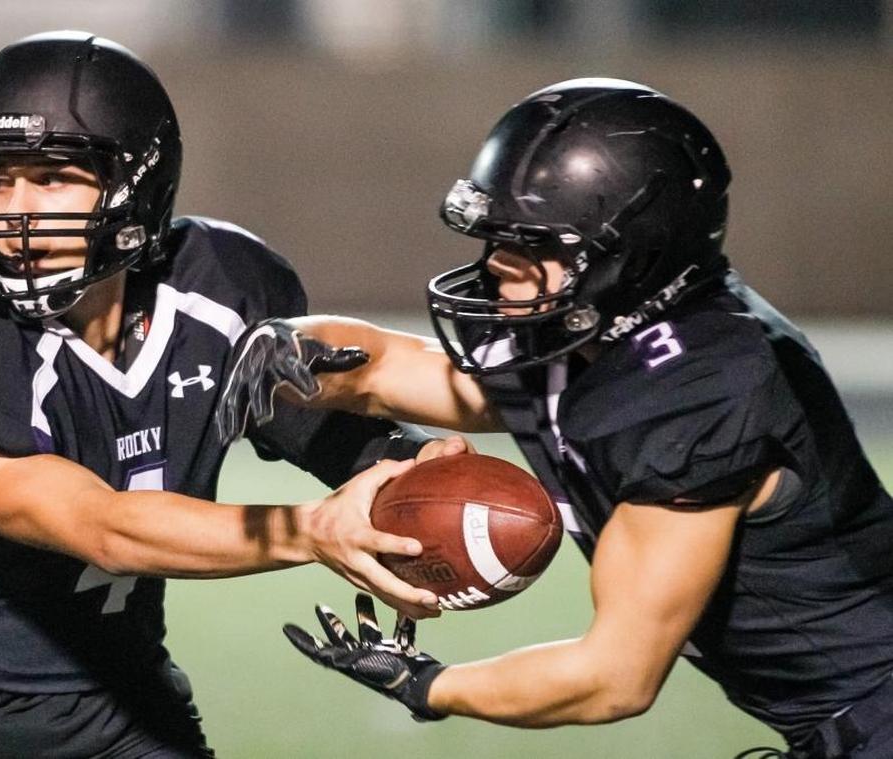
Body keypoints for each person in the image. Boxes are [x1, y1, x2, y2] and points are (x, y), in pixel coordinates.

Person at [0, 30, 465, 759]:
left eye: (52, 175)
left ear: (135, 187)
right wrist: (311, 530)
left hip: (121, 711)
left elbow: (322, 430)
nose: (13, 213)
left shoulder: (216, 287)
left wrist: (421, 478)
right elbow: (103, 528)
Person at [215, 78, 893, 758]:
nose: (497, 267)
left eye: (531, 246)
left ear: (633, 255)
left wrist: (429, 685)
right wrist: (285, 345)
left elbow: (615, 677)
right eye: (497, 239)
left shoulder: (698, 390)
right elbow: (402, 369)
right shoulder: (601, 324)